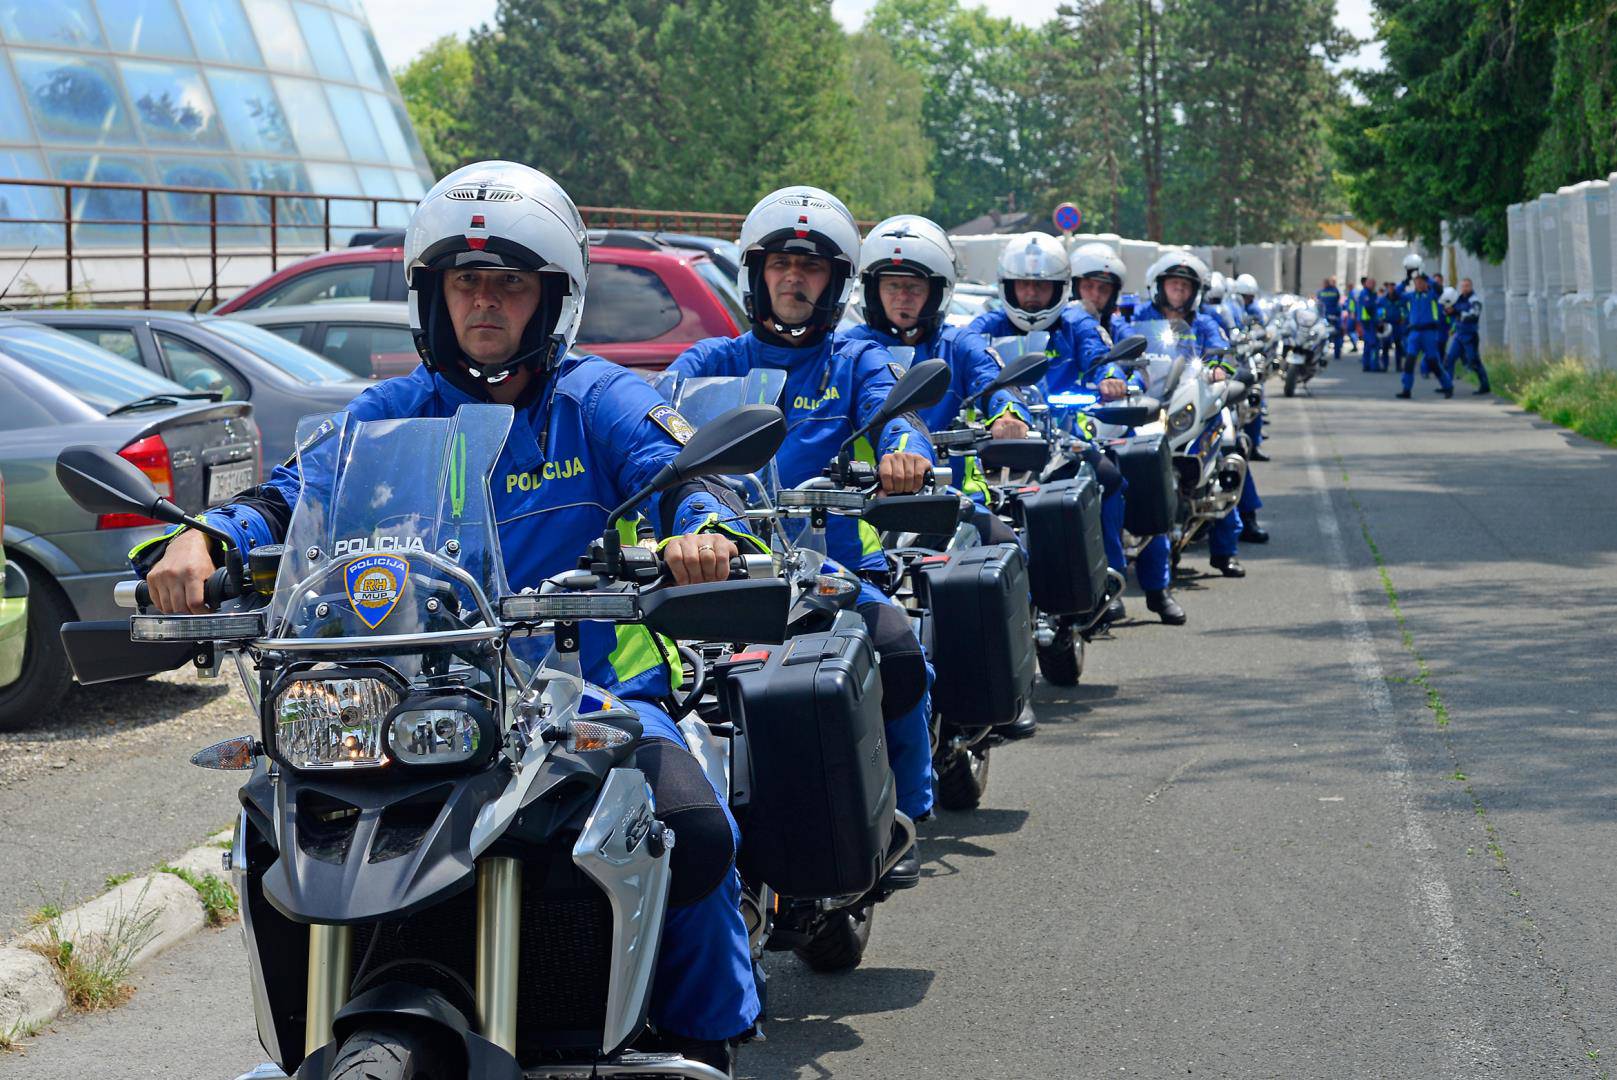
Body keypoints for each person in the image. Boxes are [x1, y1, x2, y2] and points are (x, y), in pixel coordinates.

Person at [134, 162, 760, 1069]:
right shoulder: (392, 412)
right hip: (419, 701)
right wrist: (205, 541)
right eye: (466, 282)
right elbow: (289, 495)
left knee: (694, 830)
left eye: (511, 284)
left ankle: (710, 1038)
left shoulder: (599, 402)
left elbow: (693, 481)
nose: (486, 304)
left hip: (582, 696)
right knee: (277, 824)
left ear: (553, 299)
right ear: (433, 295)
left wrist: (704, 535)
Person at [668, 186, 939, 853]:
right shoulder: (712, 362)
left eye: (811, 266)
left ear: (835, 281)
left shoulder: (854, 360)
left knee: (898, 650)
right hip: (726, 570)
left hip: (833, 566)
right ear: (756, 274)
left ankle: (905, 810)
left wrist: (903, 457)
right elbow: (657, 431)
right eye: (780, 264)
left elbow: (897, 417)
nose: (793, 277)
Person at [836, 215, 1040, 740]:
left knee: (1004, 544)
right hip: (863, 507)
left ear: (936, 293)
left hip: (951, 495)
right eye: (892, 285)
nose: (902, 297)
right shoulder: (850, 349)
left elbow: (996, 384)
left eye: (914, 286)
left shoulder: (959, 344)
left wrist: (1006, 416)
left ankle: (1012, 678)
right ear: (872, 290)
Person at [1061, 242, 1183, 625]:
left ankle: (1156, 590)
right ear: (1073, 287)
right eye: (1088, 287)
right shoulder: (1060, 327)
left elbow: (1137, 368)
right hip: (1067, 430)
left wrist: (1121, 379)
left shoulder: (1123, 328)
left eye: (1103, 288)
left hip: (1116, 424)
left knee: (1143, 484)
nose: (1094, 295)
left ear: (1113, 292)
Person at [1130, 251, 1257, 577]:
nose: (1179, 292)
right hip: (1150, 405)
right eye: (1174, 285)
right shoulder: (1138, 318)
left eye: (1185, 286)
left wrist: (1218, 370)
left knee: (1226, 452)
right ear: (1159, 286)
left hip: (1195, 404)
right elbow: (1123, 350)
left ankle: (1225, 549)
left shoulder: (1204, 322)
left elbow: (1223, 353)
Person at [1397, 271, 1453, 399]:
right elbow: (1395, 295)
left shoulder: (1433, 295)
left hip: (1429, 332)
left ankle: (1448, 386)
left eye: (1422, 281)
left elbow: (1440, 290)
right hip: (1414, 333)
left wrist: (1428, 277)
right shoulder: (1411, 296)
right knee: (1409, 361)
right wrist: (1405, 280)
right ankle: (1406, 389)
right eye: (1417, 281)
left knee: (1433, 362)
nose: (1419, 284)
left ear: (1426, 283)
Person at [1442, 278, 1490, 394]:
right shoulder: (1458, 299)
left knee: (1474, 362)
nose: (1465, 288)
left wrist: (1458, 313)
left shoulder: (1475, 300)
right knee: (1449, 359)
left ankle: (1485, 386)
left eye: (1467, 286)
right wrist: (1448, 311)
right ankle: (1448, 386)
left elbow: (1474, 315)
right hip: (1459, 335)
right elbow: (1450, 311)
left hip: (1470, 336)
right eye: (1463, 286)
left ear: (1471, 287)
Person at [1317, 276, 1344, 361]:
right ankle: (1337, 354)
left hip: (1324, 316)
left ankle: (1321, 353)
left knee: (1322, 335)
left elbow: (1318, 304)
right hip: (1335, 315)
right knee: (1337, 335)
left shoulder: (1320, 292)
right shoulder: (1335, 291)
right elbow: (1338, 300)